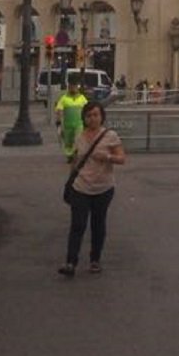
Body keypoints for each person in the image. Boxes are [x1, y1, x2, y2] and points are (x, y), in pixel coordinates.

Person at [59, 100, 126, 277]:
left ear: (102, 116)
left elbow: (122, 158)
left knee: (98, 224)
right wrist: (70, 177)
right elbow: (75, 159)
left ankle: (95, 259)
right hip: (80, 186)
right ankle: (70, 262)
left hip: (103, 188)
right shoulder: (79, 135)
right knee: (77, 225)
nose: (92, 118)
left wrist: (107, 156)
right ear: (84, 118)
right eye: (89, 115)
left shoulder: (110, 136)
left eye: (96, 115)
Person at [53, 80, 88, 163]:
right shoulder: (64, 98)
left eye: (74, 87)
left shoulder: (82, 98)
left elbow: (87, 109)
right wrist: (58, 123)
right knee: (68, 141)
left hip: (79, 124)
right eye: (71, 87)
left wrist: (87, 122)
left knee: (77, 139)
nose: (73, 88)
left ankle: (76, 153)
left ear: (77, 88)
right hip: (67, 124)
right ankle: (69, 156)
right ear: (68, 88)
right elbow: (59, 110)